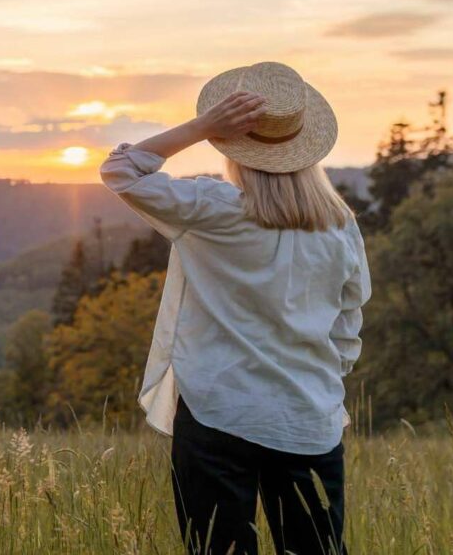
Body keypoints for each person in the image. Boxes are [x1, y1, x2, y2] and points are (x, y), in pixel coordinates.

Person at [100, 62, 371, 555]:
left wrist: (202, 128)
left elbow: (121, 169)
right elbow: (348, 326)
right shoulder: (340, 227)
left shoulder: (213, 209)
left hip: (217, 412)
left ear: (233, 148)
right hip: (308, 417)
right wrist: (316, 379)